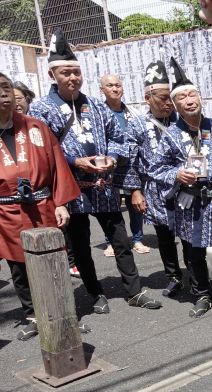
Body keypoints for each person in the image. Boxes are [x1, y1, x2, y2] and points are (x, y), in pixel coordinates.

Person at [29, 28, 161, 314]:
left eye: (76, 72)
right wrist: (74, 162)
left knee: (121, 240)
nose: (73, 77)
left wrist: (112, 157)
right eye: (66, 73)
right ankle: (95, 292)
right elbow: (42, 150)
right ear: (52, 75)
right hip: (71, 189)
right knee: (80, 244)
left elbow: (118, 137)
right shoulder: (41, 109)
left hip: (104, 186)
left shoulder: (97, 106)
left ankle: (134, 291)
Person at [150, 57, 212, 318]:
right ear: (175, 105)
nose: (189, 100)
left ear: (200, 98)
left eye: (192, 94)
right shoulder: (171, 135)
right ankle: (202, 293)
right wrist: (177, 173)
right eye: (182, 97)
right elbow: (156, 168)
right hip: (190, 202)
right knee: (194, 253)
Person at [0, 71, 81, 340]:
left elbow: (57, 165)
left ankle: (62, 312)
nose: (4, 93)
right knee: (19, 268)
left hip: (42, 204)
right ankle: (33, 315)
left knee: (53, 259)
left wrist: (61, 203)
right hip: (6, 212)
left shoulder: (35, 127)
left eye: (6, 87)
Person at [124, 60, 188, 298]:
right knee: (164, 236)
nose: (168, 103)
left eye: (171, 98)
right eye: (163, 98)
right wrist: (135, 191)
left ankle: (195, 273)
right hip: (155, 189)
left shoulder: (182, 121)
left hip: (184, 186)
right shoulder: (137, 124)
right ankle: (173, 276)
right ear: (147, 97)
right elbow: (130, 160)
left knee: (189, 234)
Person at [100, 74, 150, 256]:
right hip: (109, 164)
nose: (115, 89)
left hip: (131, 164)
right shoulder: (98, 113)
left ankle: (137, 239)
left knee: (135, 203)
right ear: (102, 90)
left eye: (118, 85)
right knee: (110, 205)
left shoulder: (133, 113)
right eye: (110, 85)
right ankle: (111, 242)